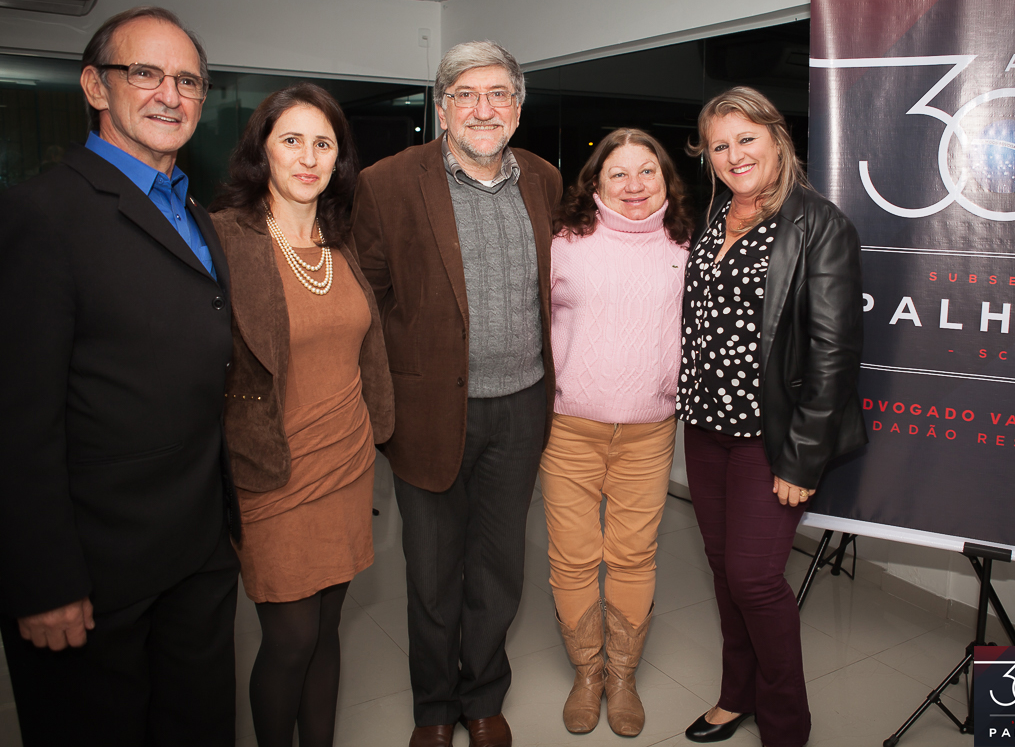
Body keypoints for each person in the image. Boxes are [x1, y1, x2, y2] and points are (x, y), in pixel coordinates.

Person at [0, 7, 240, 746]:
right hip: (96, 565)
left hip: (196, 547)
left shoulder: (193, 211)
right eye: (145, 72)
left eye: (188, 81)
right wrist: (43, 582)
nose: (170, 94)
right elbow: (15, 420)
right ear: (95, 87)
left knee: (198, 724)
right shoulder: (40, 214)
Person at [351, 41, 562, 747]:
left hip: (523, 406)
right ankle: (435, 710)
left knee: (500, 571)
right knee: (434, 575)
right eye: (466, 94)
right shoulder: (387, 183)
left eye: (499, 94)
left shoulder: (543, 179)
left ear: (519, 105)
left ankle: (483, 697)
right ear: (442, 106)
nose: (483, 109)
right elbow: (367, 303)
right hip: (428, 413)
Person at [678, 87, 866, 746]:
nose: (734, 155)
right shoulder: (716, 213)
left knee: (756, 580)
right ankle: (737, 696)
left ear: (777, 138)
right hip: (705, 429)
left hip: (772, 436)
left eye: (746, 139)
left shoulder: (819, 223)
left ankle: (787, 726)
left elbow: (835, 349)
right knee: (724, 567)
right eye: (720, 145)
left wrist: (804, 454)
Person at [208, 83, 394, 747]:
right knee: (289, 638)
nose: (309, 157)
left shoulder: (340, 240)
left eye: (324, 143)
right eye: (292, 140)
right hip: (270, 470)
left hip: (346, 462)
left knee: (327, 629)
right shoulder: (224, 239)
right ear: (263, 150)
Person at [539, 128, 692, 737]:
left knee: (633, 555)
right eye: (618, 174)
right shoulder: (563, 244)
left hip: (650, 431)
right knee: (573, 557)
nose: (633, 186)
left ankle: (622, 674)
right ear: (594, 181)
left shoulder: (689, 245)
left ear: (665, 178)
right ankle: (586, 671)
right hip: (569, 428)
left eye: (646, 171)